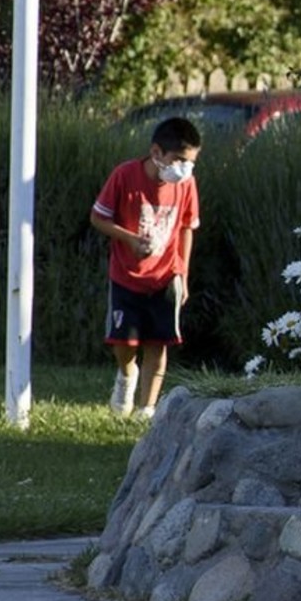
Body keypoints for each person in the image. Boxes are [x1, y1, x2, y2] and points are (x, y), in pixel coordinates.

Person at [89, 117, 202, 420]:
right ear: (157, 153)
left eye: (190, 162)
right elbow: (98, 218)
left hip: (165, 276)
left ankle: (146, 409)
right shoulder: (125, 175)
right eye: (179, 160)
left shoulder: (187, 184)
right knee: (124, 343)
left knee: (159, 342)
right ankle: (127, 376)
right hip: (126, 276)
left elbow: (187, 228)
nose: (185, 169)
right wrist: (128, 239)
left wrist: (183, 273)